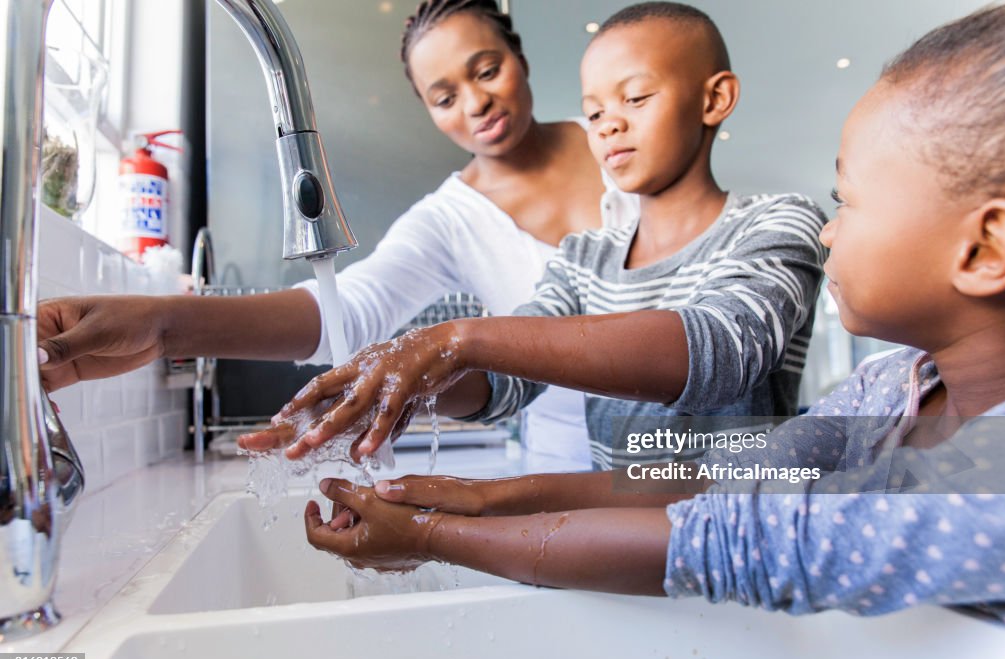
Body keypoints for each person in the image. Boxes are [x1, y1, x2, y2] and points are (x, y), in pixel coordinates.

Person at [281, 3, 1005, 625]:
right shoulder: (894, 388)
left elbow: (732, 525)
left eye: (848, 201)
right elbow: (715, 474)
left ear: (985, 248)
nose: (832, 229)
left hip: (707, 595)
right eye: (596, 109)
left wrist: (435, 531)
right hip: (657, 577)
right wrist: (482, 496)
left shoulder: (1003, 471)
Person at [34, 0, 640, 472]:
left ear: (520, 59)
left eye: (488, 70)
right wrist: (163, 324)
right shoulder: (451, 219)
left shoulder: (624, 145)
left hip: (704, 445)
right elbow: (344, 311)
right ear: (426, 108)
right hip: (567, 465)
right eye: (445, 96)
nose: (476, 102)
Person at [240, 2, 827, 471]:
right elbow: (503, 380)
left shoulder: (779, 222)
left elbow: (719, 349)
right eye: (593, 113)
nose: (610, 124)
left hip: (747, 548)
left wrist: (457, 339)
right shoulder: (583, 259)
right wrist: (396, 384)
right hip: (615, 527)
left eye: (636, 98)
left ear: (715, 97)